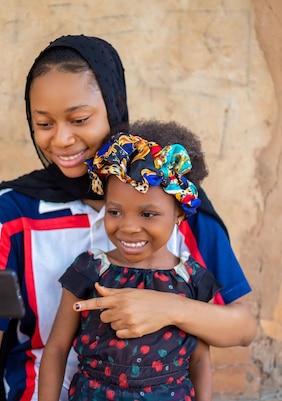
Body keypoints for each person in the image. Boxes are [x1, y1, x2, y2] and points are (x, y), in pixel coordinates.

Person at [0, 35, 256, 401]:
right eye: (44, 124)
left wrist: (169, 308)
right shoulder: (11, 214)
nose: (62, 139)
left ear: (114, 107)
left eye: (79, 119)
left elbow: (242, 327)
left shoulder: (175, 199)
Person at [39, 132, 222, 401]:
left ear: (180, 213)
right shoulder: (90, 270)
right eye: (115, 212)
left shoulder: (192, 280)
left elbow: (199, 362)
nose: (128, 227)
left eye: (148, 214)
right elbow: (56, 349)